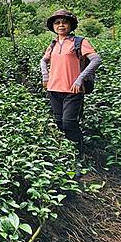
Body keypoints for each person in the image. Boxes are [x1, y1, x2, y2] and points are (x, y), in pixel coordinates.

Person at [40, 10, 102, 153]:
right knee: (59, 122)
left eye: (65, 22)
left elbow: (96, 60)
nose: (61, 25)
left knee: (69, 123)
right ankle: (67, 154)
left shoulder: (79, 42)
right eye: (57, 22)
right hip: (54, 89)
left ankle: (79, 153)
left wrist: (80, 79)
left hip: (73, 90)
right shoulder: (53, 44)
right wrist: (45, 76)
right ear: (53, 26)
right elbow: (43, 60)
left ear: (70, 25)